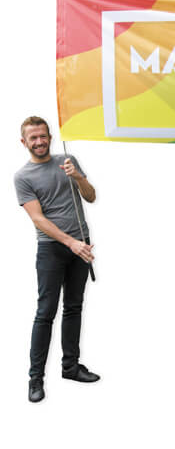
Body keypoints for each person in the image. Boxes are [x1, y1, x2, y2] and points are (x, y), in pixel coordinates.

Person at [14, 116, 100, 403]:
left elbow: (91, 197)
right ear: (24, 142)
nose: (39, 142)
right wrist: (71, 243)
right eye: (33, 138)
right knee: (45, 312)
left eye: (43, 136)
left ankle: (71, 367)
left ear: (50, 137)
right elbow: (38, 219)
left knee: (74, 307)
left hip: (81, 245)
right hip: (52, 249)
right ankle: (35, 378)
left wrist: (77, 176)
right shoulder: (23, 177)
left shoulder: (67, 160)